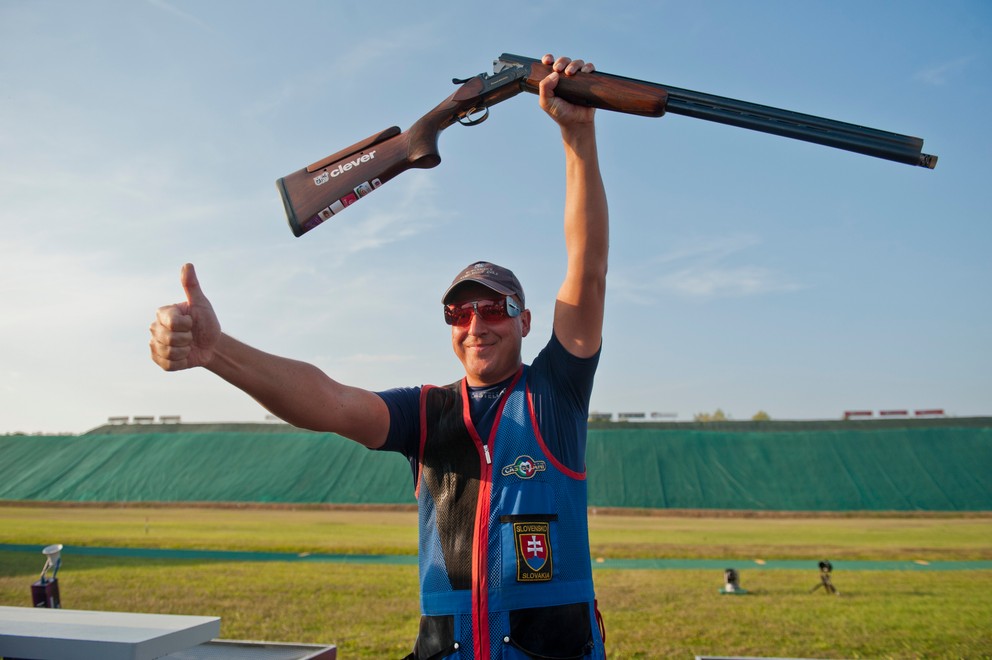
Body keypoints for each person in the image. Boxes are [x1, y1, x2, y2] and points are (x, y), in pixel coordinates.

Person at [150, 53, 608, 659]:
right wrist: (217, 351)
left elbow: (588, 272)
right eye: (459, 312)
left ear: (526, 321)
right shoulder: (427, 412)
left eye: (495, 309)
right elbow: (330, 403)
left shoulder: (554, 394)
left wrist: (578, 137)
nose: (476, 324)